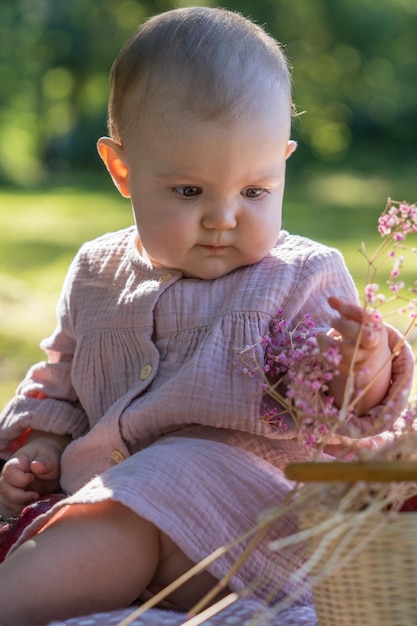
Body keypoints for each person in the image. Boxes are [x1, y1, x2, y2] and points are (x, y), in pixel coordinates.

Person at [0, 6, 413, 626]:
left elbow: (344, 414)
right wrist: (47, 448)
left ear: (283, 163)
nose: (224, 218)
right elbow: (61, 377)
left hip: (253, 528)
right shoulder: (95, 271)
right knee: (105, 508)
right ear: (123, 170)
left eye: (254, 191)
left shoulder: (301, 276)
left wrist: (366, 366)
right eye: (190, 191)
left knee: (165, 473)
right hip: (125, 516)